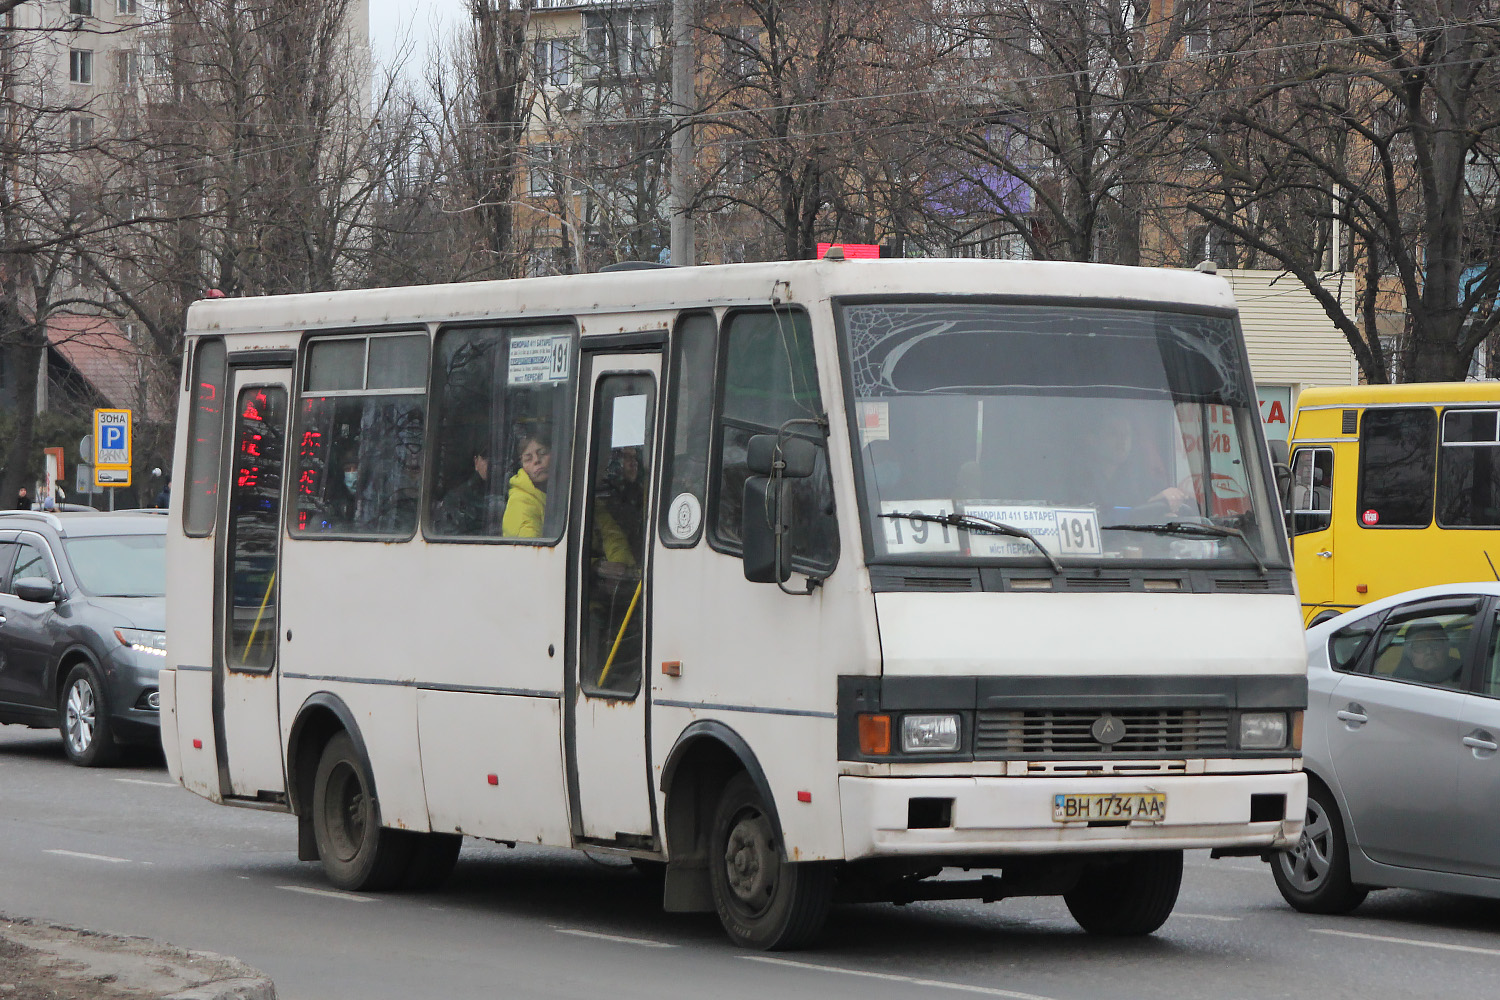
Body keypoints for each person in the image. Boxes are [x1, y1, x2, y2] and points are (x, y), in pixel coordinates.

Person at [503, 430, 634, 566]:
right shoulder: (520, 501)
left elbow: (611, 534)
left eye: (542, 453)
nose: (537, 461)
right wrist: (596, 566)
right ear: (522, 466)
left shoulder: (576, 491)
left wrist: (621, 565)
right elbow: (535, 558)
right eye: (528, 459)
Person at [1091, 415, 1192, 515]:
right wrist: (1153, 503)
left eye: (1126, 434)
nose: (1122, 440)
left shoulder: (1142, 482)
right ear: (1093, 440)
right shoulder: (1080, 481)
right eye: (1113, 433)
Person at [433, 451, 499, 535]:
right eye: (485, 458)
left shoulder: (507, 494)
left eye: (495, 460)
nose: (490, 464)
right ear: (476, 461)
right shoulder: (456, 498)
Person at [1392, 623, 1461, 686]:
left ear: (1446, 648)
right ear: (1410, 653)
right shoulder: (1399, 683)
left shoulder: (1464, 673)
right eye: (1420, 646)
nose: (1429, 651)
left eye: (1435, 645)